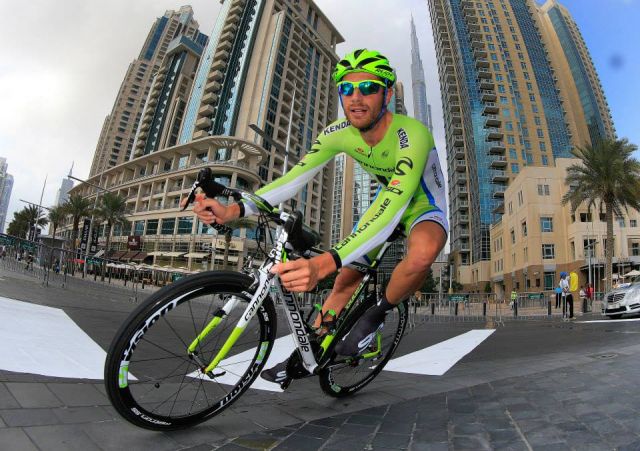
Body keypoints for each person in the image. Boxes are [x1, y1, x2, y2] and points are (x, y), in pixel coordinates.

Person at [184, 49, 447, 385]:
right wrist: (235, 210)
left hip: (422, 206)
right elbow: (294, 178)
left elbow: (399, 200)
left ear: (388, 93)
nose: (356, 98)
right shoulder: (337, 132)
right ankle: (306, 353)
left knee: (422, 254)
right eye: (347, 90)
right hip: (386, 201)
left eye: (368, 87)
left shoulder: (413, 134)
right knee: (343, 282)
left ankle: (377, 313)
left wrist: (324, 262)